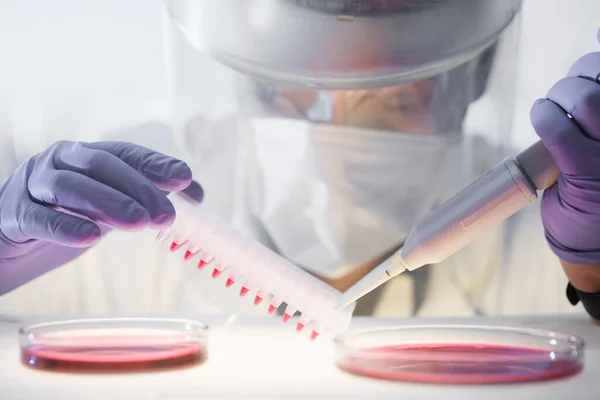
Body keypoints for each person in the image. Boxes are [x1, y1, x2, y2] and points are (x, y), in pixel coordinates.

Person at [0, 1, 598, 321]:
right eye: (299, 93)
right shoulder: (124, 215)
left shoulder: (553, 228)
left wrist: (595, 281)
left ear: (467, 85)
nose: (338, 138)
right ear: (246, 77)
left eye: (394, 100)